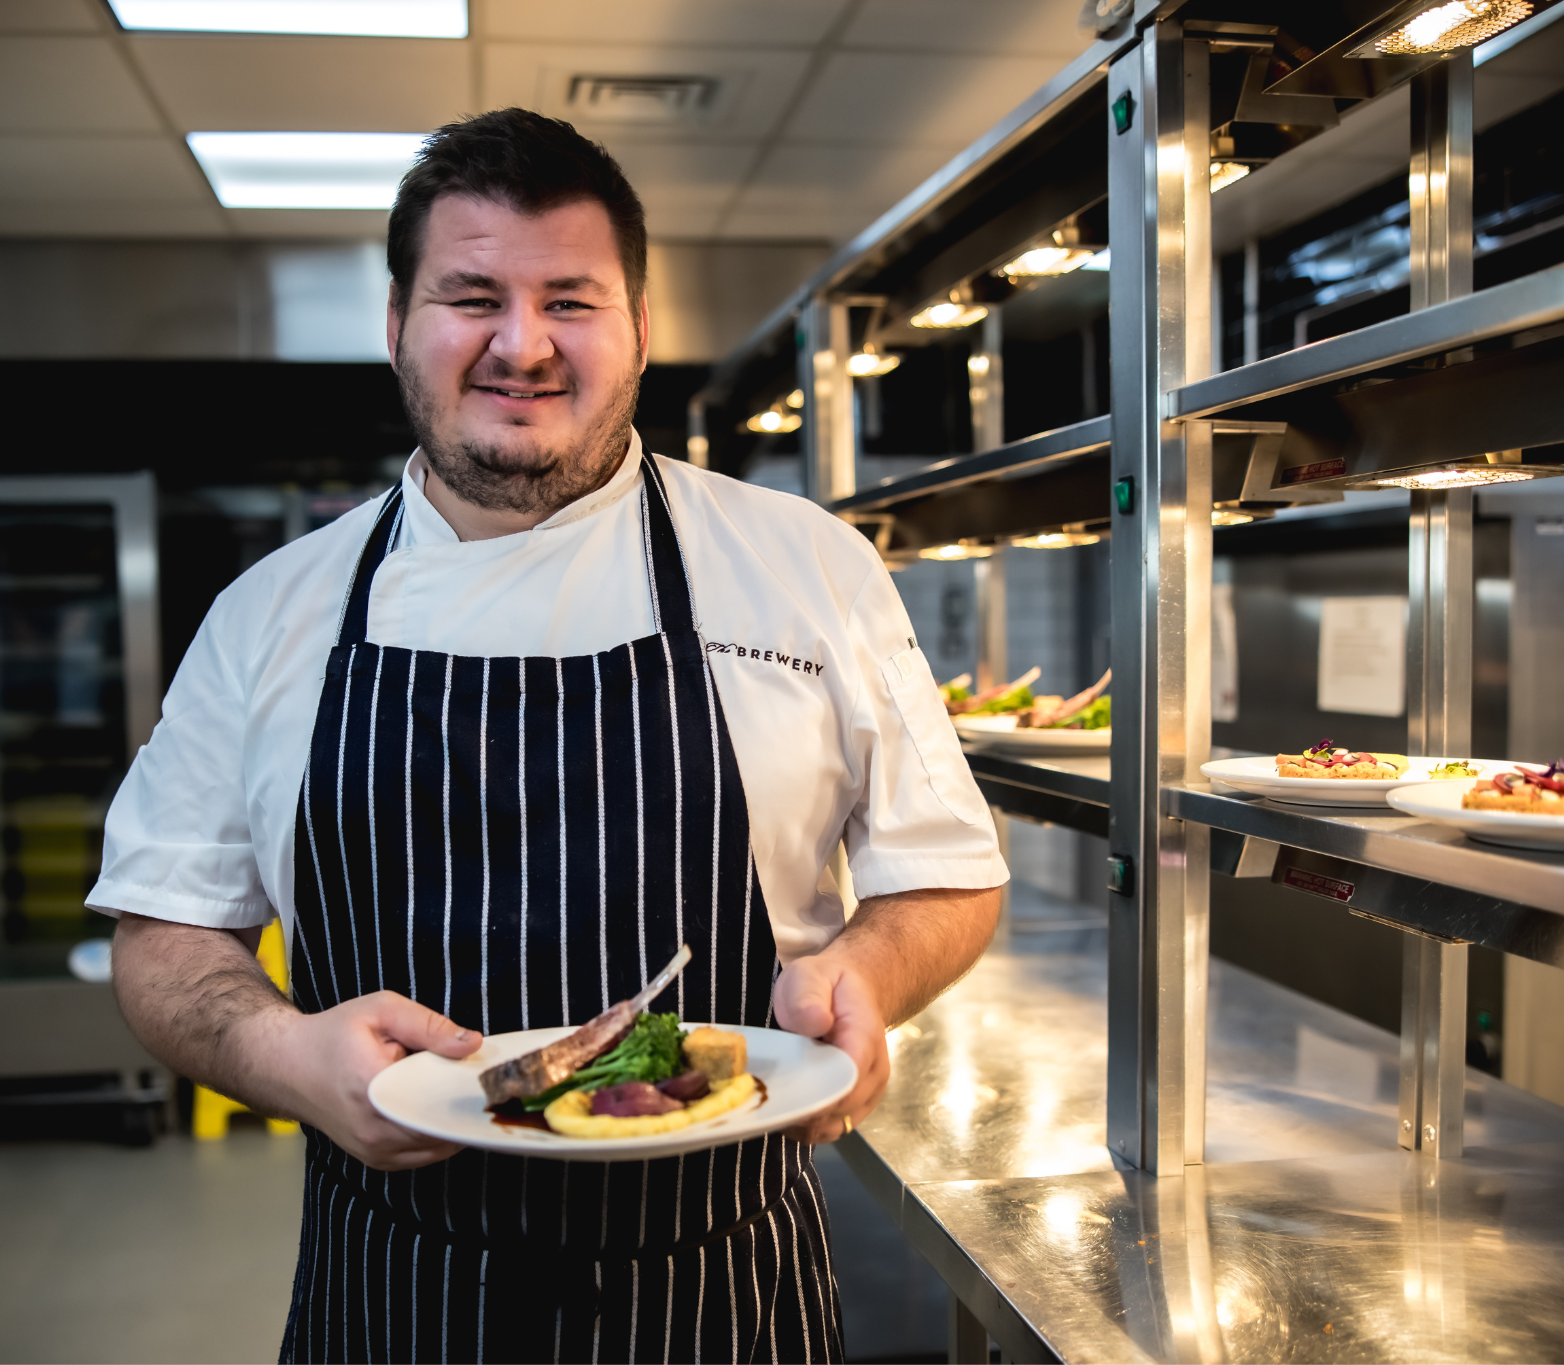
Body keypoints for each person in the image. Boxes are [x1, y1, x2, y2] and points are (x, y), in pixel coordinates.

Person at [92, 107, 1008, 1364]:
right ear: (398, 326)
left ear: (638, 328)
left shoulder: (805, 569)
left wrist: (866, 975)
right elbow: (163, 930)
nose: (521, 345)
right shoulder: (271, 613)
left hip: (724, 1295)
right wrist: (279, 1053)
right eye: (470, 296)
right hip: (397, 1294)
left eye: (570, 301)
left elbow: (944, 873)